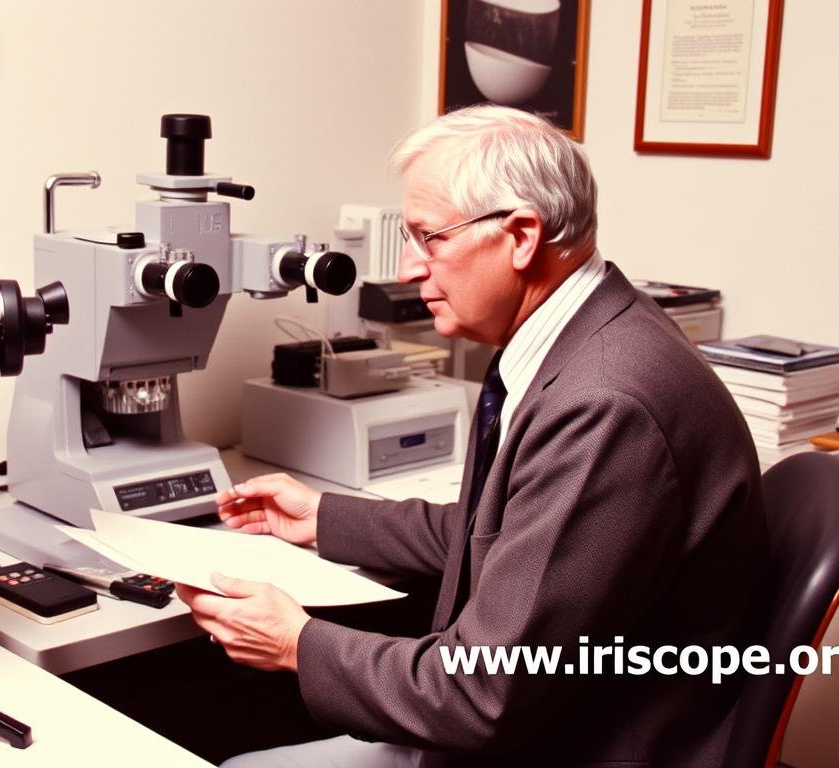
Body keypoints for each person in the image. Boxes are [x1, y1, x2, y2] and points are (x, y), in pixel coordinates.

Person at [177, 105, 767, 767]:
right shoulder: (592, 329)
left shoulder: (604, 404)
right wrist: (324, 518)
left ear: (520, 236)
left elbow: (479, 697)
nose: (408, 267)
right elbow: (508, 532)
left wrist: (295, 643)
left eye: (429, 238)